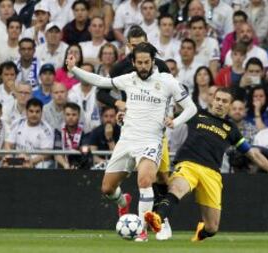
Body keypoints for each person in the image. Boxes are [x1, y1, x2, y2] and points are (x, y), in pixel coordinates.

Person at [66, 42, 197, 242]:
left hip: (151, 141)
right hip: (126, 140)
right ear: (134, 62)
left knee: (145, 181)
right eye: (139, 63)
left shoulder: (167, 81)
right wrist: (74, 69)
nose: (143, 66)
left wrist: (175, 121)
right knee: (107, 189)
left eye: (147, 62)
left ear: (153, 62)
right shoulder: (129, 79)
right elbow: (101, 81)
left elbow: (191, 108)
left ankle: (141, 230)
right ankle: (122, 201)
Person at [144, 88, 268, 241]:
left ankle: (201, 232)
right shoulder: (195, 114)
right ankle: (158, 218)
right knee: (177, 188)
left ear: (230, 106)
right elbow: (172, 111)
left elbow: (253, 154)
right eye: (217, 99)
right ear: (212, 100)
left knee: (212, 228)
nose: (219, 103)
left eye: (224, 101)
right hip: (189, 164)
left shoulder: (231, 129)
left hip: (212, 173)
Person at [4, 98, 54, 169]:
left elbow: (47, 154)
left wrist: (31, 161)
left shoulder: (46, 129)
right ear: (26, 111)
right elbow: (8, 144)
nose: (34, 114)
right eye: (31, 111)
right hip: (19, 160)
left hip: (38, 162)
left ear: (41, 113)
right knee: (5, 164)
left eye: (37, 112)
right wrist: (9, 157)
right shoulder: (18, 123)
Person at [54, 102, 92, 169]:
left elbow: (85, 149)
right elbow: (57, 152)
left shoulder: (85, 130)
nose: (71, 117)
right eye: (68, 115)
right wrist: (65, 164)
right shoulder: (59, 130)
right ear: (64, 115)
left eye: (74, 115)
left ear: (79, 116)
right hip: (63, 165)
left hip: (81, 164)